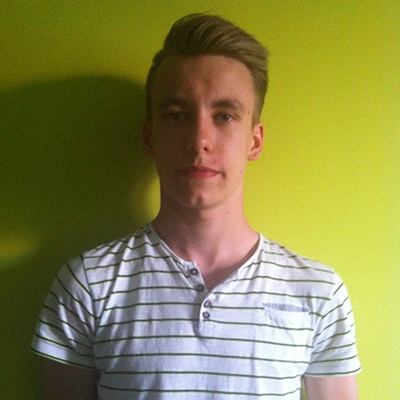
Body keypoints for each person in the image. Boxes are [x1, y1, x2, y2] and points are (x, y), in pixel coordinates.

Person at [31, 13, 361, 400]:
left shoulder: (318, 292)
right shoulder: (87, 284)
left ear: (254, 141)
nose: (199, 139)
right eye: (176, 116)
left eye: (224, 116)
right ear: (149, 137)